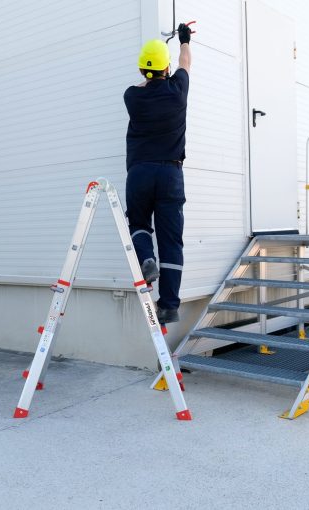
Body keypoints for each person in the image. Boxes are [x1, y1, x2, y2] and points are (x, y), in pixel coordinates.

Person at [123, 24, 192, 324]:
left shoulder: (132, 97)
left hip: (139, 172)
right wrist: (184, 40)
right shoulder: (178, 90)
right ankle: (169, 306)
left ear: (141, 69)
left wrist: (150, 74)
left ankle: (146, 260)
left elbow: (142, 84)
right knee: (171, 241)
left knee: (139, 222)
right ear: (166, 68)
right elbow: (185, 62)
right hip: (170, 175)